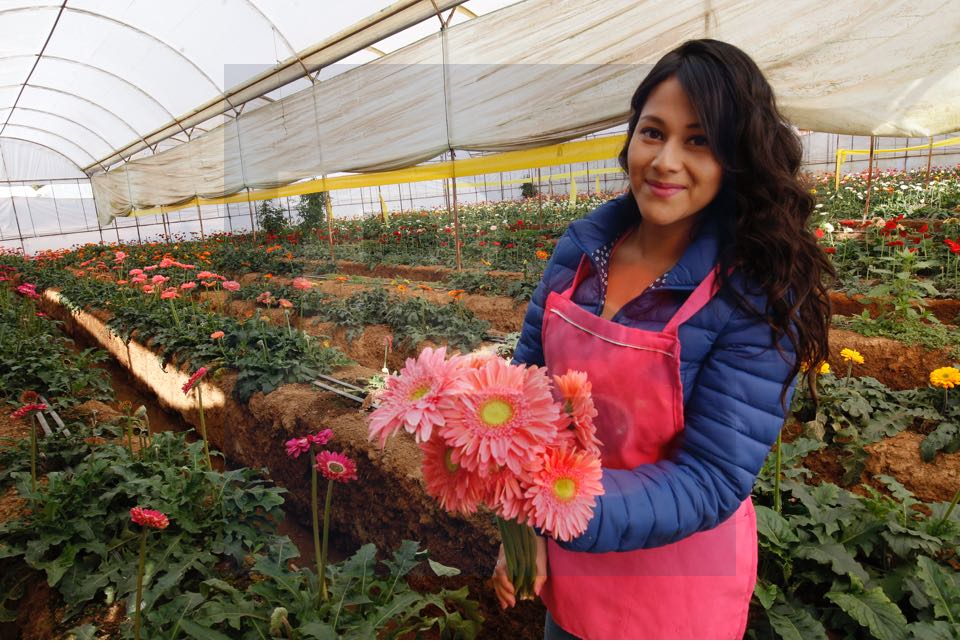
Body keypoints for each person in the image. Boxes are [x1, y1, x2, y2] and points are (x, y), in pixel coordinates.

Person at [490, 39, 834, 639]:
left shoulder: (754, 291)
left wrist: (555, 510)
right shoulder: (580, 251)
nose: (665, 160)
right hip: (569, 569)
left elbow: (712, 478)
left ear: (738, 157)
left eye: (698, 140)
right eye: (653, 132)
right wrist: (522, 535)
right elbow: (523, 402)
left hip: (675, 594)